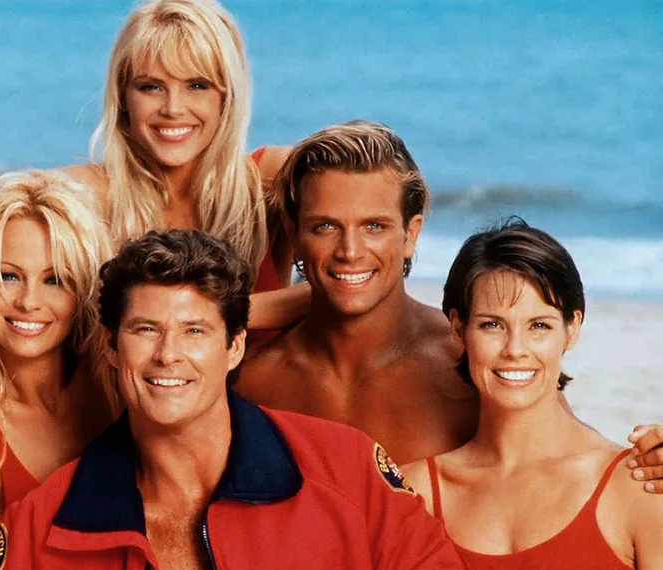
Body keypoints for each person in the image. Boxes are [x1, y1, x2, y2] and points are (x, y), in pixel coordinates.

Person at [0, 230, 486, 570]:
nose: (168, 355)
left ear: (233, 347)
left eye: (194, 330)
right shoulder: (47, 526)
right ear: (114, 347)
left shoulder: (346, 472)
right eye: (146, 329)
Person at [235, 121, 663, 472]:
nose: (350, 251)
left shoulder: (469, 365)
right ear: (294, 234)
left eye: (375, 226)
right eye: (325, 226)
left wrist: (647, 462)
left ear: (411, 234)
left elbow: (567, 463)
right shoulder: (255, 377)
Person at [397, 221, 663, 570]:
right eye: (491, 325)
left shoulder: (637, 487)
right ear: (457, 327)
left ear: (572, 329)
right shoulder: (414, 494)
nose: (515, 349)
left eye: (539, 325)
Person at [62, 0, 307, 334]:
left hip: (261, 386)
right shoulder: (86, 196)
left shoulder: (270, 179)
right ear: (123, 97)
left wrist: (212, 315)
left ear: (226, 97)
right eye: (150, 87)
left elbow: (360, 274)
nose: (173, 108)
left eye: (197, 85)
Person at [0, 170, 118, 555]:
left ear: (84, 290)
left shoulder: (118, 385)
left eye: (55, 280)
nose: (29, 301)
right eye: (7, 276)